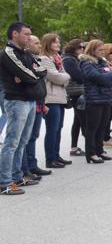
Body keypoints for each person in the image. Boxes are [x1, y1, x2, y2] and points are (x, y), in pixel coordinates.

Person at [0, 22, 47, 195]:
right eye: (26, 34)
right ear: (14, 34)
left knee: (22, 141)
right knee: (12, 142)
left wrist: (29, 75)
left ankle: (17, 176)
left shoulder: (26, 53)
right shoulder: (8, 53)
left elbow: (42, 70)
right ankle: (4, 181)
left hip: (30, 100)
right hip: (16, 101)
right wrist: (29, 75)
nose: (29, 37)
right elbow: (28, 75)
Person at [80, 40, 112, 164]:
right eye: (99, 50)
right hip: (94, 99)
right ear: (92, 50)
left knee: (102, 126)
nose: (102, 52)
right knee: (92, 128)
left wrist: (108, 76)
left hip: (106, 97)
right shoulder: (87, 63)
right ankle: (91, 153)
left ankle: (99, 150)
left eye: (103, 50)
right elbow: (96, 77)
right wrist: (109, 76)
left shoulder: (102, 62)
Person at [39, 33, 72, 168]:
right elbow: (56, 77)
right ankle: (50, 159)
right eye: (55, 42)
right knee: (52, 129)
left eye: (58, 42)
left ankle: (56, 155)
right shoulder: (44, 59)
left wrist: (64, 77)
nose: (58, 44)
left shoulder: (58, 58)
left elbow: (63, 78)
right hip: (51, 98)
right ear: (48, 43)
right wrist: (65, 77)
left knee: (58, 128)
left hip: (60, 97)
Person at [21, 36, 50, 179]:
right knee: (25, 138)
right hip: (28, 101)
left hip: (38, 102)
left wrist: (43, 104)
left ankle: (32, 165)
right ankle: (25, 169)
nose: (39, 46)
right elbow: (33, 76)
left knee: (33, 136)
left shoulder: (35, 59)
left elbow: (42, 73)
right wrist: (37, 72)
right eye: (36, 43)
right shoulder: (24, 58)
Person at [62, 39, 86, 157]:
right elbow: (79, 77)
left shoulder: (75, 59)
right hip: (75, 93)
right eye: (80, 47)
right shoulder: (69, 59)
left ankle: (74, 147)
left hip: (79, 92)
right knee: (84, 121)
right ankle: (92, 147)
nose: (82, 49)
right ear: (73, 48)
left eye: (83, 47)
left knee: (78, 121)